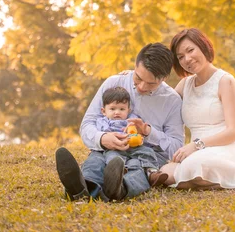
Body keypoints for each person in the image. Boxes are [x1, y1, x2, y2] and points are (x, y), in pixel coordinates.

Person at [55, 43, 184, 202]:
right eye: (138, 78)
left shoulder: (172, 101)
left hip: (143, 155)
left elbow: (176, 147)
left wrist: (149, 132)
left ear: (164, 78)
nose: (142, 87)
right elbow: (88, 123)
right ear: (135, 66)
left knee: (138, 172)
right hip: (106, 150)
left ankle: (119, 189)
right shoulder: (113, 83)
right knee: (95, 161)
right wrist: (102, 139)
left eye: (151, 84)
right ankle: (82, 188)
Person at [159, 28, 235, 190]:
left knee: (194, 166)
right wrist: (134, 77)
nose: (187, 59)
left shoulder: (225, 81)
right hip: (198, 153)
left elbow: (234, 131)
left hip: (227, 146)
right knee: (166, 172)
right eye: (181, 57)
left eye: (190, 50)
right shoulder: (185, 85)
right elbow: (163, 105)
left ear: (203, 46)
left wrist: (196, 145)